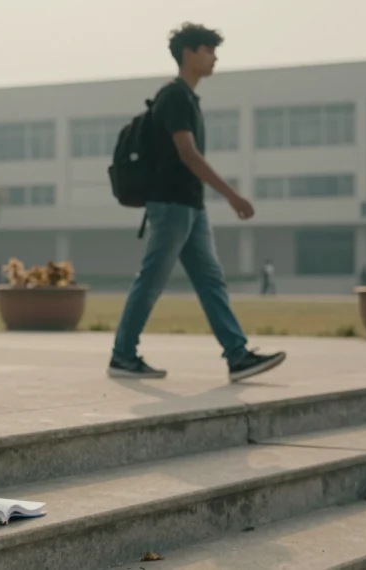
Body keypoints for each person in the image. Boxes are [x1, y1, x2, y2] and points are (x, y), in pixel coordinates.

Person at [108, 23, 286, 383]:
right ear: (188, 53)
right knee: (152, 281)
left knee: (210, 281)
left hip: (190, 206)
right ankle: (122, 356)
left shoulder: (188, 99)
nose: (214, 57)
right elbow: (188, 154)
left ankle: (237, 356)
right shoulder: (174, 97)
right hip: (172, 205)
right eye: (208, 50)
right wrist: (232, 195)